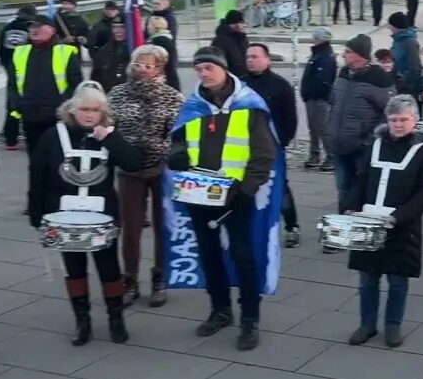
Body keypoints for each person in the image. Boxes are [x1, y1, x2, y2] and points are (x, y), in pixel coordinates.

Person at [167, 47, 279, 350]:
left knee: (243, 256)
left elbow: (265, 153)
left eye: (209, 68)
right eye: (198, 69)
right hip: (198, 192)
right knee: (208, 254)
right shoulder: (193, 105)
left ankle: (250, 319)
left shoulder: (249, 105)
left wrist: (246, 188)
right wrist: (177, 156)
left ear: (224, 69)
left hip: (236, 196)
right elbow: (177, 141)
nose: (203, 74)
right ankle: (220, 309)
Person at [29, 82, 143, 346]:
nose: (89, 115)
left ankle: (116, 319)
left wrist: (110, 139)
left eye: (95, 110)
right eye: (84, 109)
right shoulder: (52, 136)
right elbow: (37, 177)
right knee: (74, 269)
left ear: (103, 112)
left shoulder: (109, 135)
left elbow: (133, 163)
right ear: (72, 109)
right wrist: (37, 215)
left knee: (109, 268)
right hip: (63, 215)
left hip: (102, 215)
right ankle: (82, 322)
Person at [345, 95, 423, 348]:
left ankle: (393, 325)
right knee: (367, 277)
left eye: (403, 119)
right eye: (394, 119)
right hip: (367, 223)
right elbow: (361, 180)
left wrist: (399, 216)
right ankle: (367, 324)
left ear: (415, 120)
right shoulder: (375, 145)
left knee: (397, 279)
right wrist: (350, 207)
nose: (398, 124)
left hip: (402, 227)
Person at [108, 45, 183, 307]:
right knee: (130, 228)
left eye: (148, 66)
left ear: (160, 68)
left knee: (163, 226)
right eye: (137, 65)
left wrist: (157, 148)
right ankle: (129, 280)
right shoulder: (117, 94)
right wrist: (123, 151)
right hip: (128, 169)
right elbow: (109, 127)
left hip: (161, 169)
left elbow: (178, 136)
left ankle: (160, 278)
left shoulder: (172, 97)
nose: (141, 70)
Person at [326, 35, 395, 217]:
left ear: (361, 55)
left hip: (362, 148)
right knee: (343, 188)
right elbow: (334, 103)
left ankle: (360, 225)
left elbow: (389, 112)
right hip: (340, 144)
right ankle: (342, 225)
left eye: (348, 52)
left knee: (361, 191)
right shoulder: (343, 74)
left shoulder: (379, 78)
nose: (343, 55)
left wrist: (369, 139)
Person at [244, 43, 302, 248]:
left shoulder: (280, 86)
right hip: (244, 147)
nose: (250, 60)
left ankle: (292, 227)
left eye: (255, 56)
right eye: (248, 57)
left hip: (272, 147)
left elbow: (290, 118)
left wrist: (282, 142)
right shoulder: (240, 85)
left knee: (280, 187)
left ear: (267, 59)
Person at [12, 15, 84, 158]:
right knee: (35, 158)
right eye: (31, 27)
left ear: (52, 30)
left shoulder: (66, 52)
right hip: (30, 115)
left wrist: (63, 107)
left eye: (39, 26)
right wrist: (17, 105)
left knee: (56, 157)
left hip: (56, 116)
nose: (34, 30)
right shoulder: (21, 52)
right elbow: (12, 84)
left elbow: (76, 84)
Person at [0, 5, 38, 148]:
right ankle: (30, 137)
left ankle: (10, 139)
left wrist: (8, 67)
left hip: (12, 70)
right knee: (30, 105)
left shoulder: (7, 28)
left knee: (12, 106)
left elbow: (1, 51)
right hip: (28, 72)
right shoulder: (31, 29)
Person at [301, 27, 338, 170]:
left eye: (315, 38)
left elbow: (323, 80)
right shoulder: (318, 54)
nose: (313, 40)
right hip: (311, 98)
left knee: (323, 128)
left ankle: (331, 157)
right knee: (313, 128)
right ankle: (314, 154)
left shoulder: (325, 56)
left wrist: (313, 93)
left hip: (319, 98)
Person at [89, 22, 130, 92]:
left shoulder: (137, 51)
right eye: (114, 27)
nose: (117, 31)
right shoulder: (103, 51)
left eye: (122, 27)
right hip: (108, 94)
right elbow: (95, 78)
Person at [388, 12, 422, 97]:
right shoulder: (398, 40)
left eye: (390, 25)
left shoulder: (410, 43)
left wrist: (402, 83)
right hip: (395, 83)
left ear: (395, 26)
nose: (389, 27)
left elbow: (414, 68)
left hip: (405, 88)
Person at [210, 10, 248, 77]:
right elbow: (217, 63)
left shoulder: (242, 38)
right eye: (241, 23)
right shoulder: (220, 41)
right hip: (230, 79)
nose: (243, 26)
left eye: (243, 23)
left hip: (244, 78)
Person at [146, 15, 180, 91]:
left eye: (149, 25)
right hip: (170, 77)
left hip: (164, 79)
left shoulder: (158, 40)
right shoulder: (167, 38)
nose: (147, 27)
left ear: (155, 26)